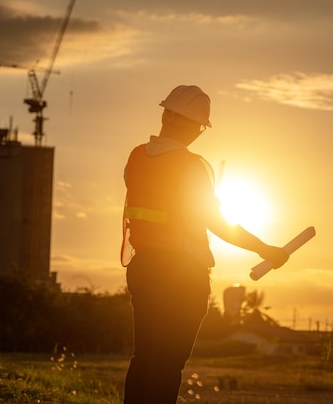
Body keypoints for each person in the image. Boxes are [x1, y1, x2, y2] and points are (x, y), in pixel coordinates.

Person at [120, 85, 289, 403]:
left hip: (142, 266)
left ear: (165, 114)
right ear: (194, 126)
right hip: (180, 274)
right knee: (167, 363)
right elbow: (217, 222)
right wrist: (264, 249)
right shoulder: (190, 166)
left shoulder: (136, 158)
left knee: (143, 358)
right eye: (199, 126)